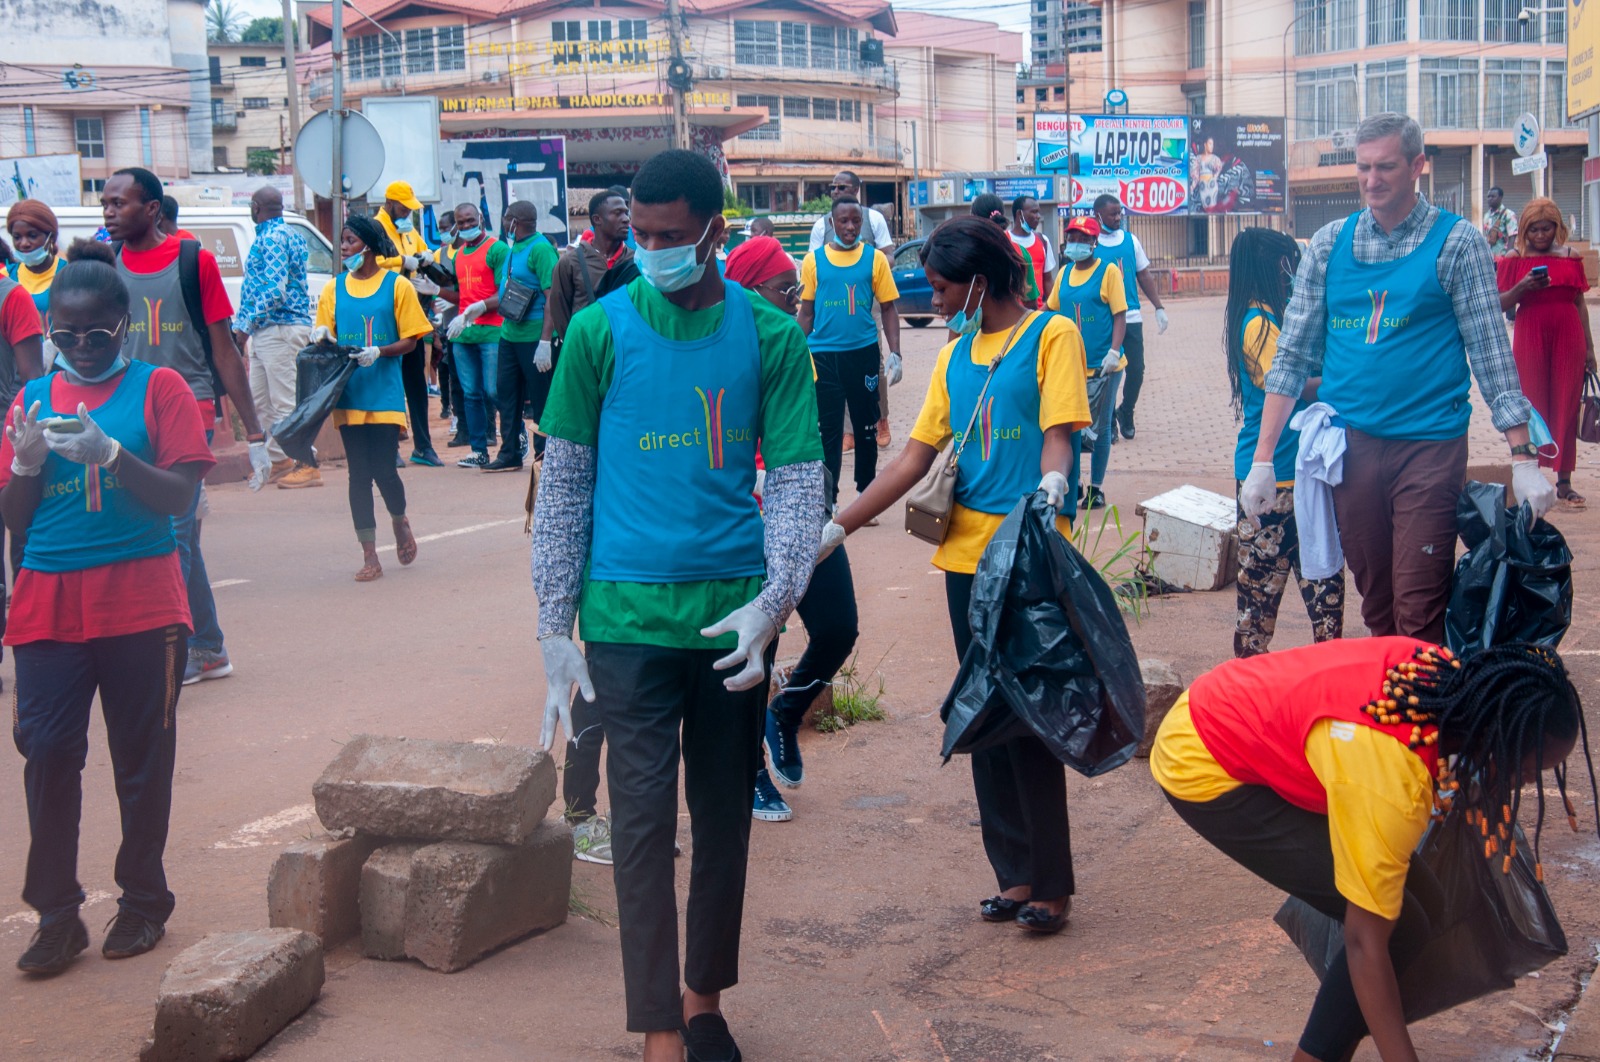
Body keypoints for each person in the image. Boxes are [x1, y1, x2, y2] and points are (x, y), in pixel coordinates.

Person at [532, 149, 823, 1062]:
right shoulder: (600, 331)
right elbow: (566, 484)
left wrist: (774, 604)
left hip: (732, 624)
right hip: (622, 624)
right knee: (644, 819)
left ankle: (703, 999)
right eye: (637, 234)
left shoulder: (771, 338)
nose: (648, 250)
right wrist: (552, 621)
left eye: (668, 236)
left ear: (714, 231)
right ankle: (659, 1021)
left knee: (723, 816)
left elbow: (801, 486)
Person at [821, 215, 1089, 936]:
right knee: (982, 711)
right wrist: (836, 526)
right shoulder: (954, 357)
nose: (932, 301)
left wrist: (1054, 489)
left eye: (940, 288)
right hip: (965, 562)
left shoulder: (1051, 335)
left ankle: (1052, 882)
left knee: (1029, 719)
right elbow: (912, 460)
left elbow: (1059, 438)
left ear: (979, 281)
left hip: (1027, 557)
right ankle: (1015, 873)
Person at [1151, 638, 1593, 1062]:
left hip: (1234, 704)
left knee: (1425, 909)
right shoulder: (1390, 782)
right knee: (1391, 930)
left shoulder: (1439, 674)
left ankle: (1331, 1045)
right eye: (1532, 769)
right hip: (1203, 758)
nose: (1531, 784)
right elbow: (1364, 942)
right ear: (1496, 739)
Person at [1244, 114, 1555, 645]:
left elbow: (1491, 356)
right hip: (1352, 449)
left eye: (1386, 167)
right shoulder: (1327, 245)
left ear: (1417, 166)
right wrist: (1263, 460)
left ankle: (1423, 720)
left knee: (1419, 601)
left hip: (1429, 448)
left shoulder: (1457, 244)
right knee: (1378, 603)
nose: (1372, 180)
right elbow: (1290, 357)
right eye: (1363, 167)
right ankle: (1387, 714)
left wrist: (1523, 458)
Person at [2, 239, 215, 976]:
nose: (82, 348)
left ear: (125, 324)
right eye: (65, 335)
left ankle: (144, 900)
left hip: (142, 599)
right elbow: (16, 518)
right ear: (49, 330)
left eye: (97, 334)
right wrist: (26, 465)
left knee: (141, 760)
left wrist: (112, 456)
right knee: (49, 755)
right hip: (47, 603)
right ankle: (56, 915)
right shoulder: (30, 400)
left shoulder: (160, 391)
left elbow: (180, 496)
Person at [102, 167, 270, 686]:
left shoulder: (192, 261)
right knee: (176, 540)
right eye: (104, 202)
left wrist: (255, 433)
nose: (108, 211)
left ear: (152, 209)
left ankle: (165, 654)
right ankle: (209, 647)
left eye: (119, 203)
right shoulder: (108, 265)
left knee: (172, 534)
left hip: (188, 410)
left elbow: (223, 350)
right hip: (129, 415)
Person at [726, 234, 861, 823]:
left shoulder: (791, 342)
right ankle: (752, 766)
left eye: (797, 289)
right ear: (749, 289)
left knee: (838, 627)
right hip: (745, 513)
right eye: (787, 289)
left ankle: (788, 712)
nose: (796, 299)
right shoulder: (718, 345)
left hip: (801, 504)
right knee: (763, 638)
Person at [1224, 227, 1345, 656]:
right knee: (1261, 605)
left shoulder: (1274, 314)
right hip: (1273, 478)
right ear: (1277, 266)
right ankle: (1251, 696)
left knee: (1323, 593)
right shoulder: (1258, 322)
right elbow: (1289, 385)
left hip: (1301, 475)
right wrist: (1351, 379)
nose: (1296, 272)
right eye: (1291, 263)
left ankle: (1322, 686)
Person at [308, 215, 427, 581]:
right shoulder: (333, 288)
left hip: (384, 391)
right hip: (349, 392)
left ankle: (399, 519)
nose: (343, 248)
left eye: (349, 241)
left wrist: (379, 351)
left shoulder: (397, 287)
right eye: (342, 242)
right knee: (358, 475)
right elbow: (323, 330)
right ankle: (370, 555)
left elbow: (413, 338)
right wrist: (321, 333)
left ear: (370, 246)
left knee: (384, 470)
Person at [799, 196, 900, 511]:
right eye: (843, 221)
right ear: (832, 223)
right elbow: (806, 313)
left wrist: (896, 352)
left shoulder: (875, 260)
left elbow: (888, 307)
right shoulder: (813, 261)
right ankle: (828, 502)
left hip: (864, 354)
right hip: (824, 357)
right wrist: (795, 350)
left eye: (856, 221)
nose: (850, 227)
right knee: (828, 432)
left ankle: (865, 496)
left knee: (866, 426)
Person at [1497, 197, 1595, 510]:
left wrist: (1590, 350)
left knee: (1567, 402)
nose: (1541, 235)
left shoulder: (1571, 256)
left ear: (1557, 227)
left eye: (1547, 228)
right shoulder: (1514, 258)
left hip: (1569, 336)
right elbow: (1500, 302)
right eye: (1535, 229)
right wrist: (1522, 287)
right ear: (1525, 230)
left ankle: (1564, 481)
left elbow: (1579, 303)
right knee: (1532, 404)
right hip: (1530, 334)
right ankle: (1531, 474)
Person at [232, 186, 311, 486]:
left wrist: (243, 326)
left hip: (280, 327)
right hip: (266, 330)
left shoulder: (275, 238)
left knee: (284, 402)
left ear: (256, 207)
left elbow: (274, 291)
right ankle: (280, 460)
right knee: (260, 402)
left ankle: (307, 462)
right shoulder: (279, 235)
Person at [1048, 214, 1125, 511]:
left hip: (1103, 366)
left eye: (1082, 239)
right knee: (1072, 425)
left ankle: (1097, 488)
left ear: (1094, 242)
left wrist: (1114, 352)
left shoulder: (1107, 272)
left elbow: (1119, 314)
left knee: (1101, 427)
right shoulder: (1064, 273)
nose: (1076, 243)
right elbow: (1051, 310)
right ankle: (1075, 482)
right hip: (1070, 365)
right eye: (1072, 238)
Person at [373, 180, 441, 468]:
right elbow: (371, 262)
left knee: (416, 380)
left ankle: (423, 447)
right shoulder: (374, 229)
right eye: (403, 208)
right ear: (389, 203)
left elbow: (424, 253)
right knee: (390, 382)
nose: (407, 213)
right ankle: (389, 448)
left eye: (410, 209)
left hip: (411, 313)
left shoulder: (409, 230)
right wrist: (402, 260)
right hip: (386, 314)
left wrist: (426, 258)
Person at [486, 200, 558, 472]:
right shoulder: (512, 248)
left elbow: (552, 297)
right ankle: (509, 453)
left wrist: (544, 341)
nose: (504, 222)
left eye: (506, 218)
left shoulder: (540, 249)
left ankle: (543, 453)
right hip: (509, 334)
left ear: (517, 221)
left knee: (540, 397)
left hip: (533, 335)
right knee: (506, 393)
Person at [1092, 193, 1169, 440]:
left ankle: (1127, 410)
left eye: (1119, 213)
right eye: (1112, 214)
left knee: (1137, 370)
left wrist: (1158, 307)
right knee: (1109, 373)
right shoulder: (1092, 245)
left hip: (1131, 316)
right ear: (1098, 215)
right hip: (1105, 320)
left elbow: (1143, 275)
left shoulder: (1130, 240)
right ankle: (1109, 421)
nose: (1118, 218)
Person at [441, 203, 506, 469]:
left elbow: (505, 292)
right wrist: (437, 290)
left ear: (480, 218)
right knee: (470, 394)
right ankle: (479, 450)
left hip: (491, 330)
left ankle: (515, 437)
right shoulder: (458, 255)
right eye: (461, 222)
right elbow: (461, 295)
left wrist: (476, 309)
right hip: (463, 334)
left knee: (493, 390)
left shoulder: (497, 249)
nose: (466, 226)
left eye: (470, 220)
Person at [807, 170, 893, 255]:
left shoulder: (874, 218)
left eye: (841, 187)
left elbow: (888, 256)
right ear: (831, 222)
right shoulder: (821, 224)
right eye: (833, 188)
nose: (836, 191)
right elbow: (814, 260)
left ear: (856, 190)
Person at [7, 199, 63, 318]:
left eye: (32, 236)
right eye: (17, 237)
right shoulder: (5, 277)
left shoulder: (69, 273)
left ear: (51, 238)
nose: (24, 243)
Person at [1009, 195, 1056, 310]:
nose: (1038, 216)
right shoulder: (1004, 240)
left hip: (1037, 313)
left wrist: (1052, 309)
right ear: (1019, 214)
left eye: (1039, 212)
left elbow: (1048, 280)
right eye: (1034, 212)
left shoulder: (1043, 241)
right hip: (1011, 314)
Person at [1483, 186, 1518, 257]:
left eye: (1493, 196)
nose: (1490, 199)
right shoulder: (1486, 216)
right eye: (1488, 197)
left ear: (1500, 197)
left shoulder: (1509, 214)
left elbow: (1512, 237)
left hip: (1503, 256)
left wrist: (1508, 257)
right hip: (1490, 257)